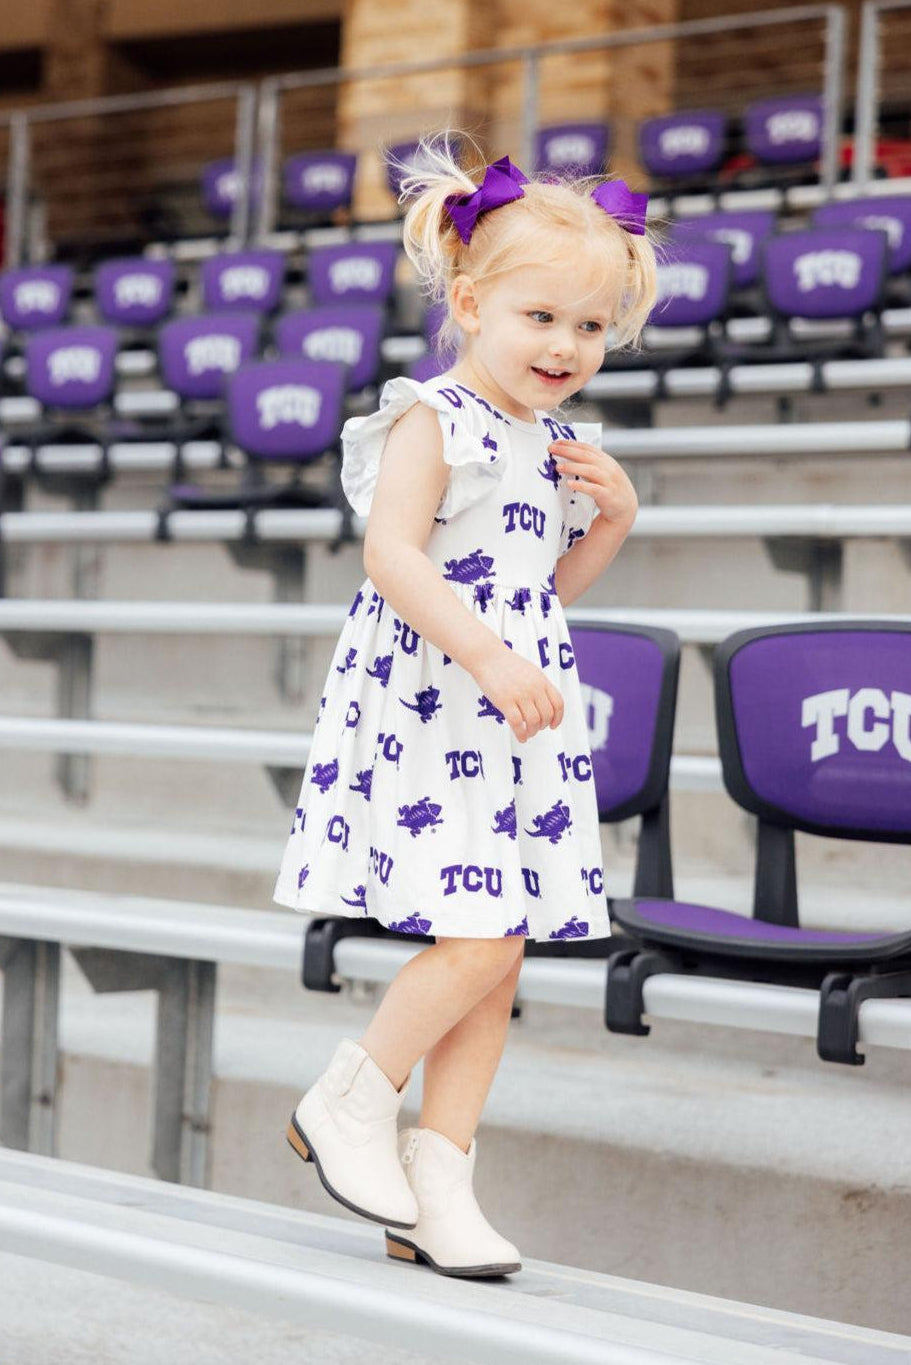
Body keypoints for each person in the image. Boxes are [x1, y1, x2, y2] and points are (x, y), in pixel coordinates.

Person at [273, 133, 657, 1278]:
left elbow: (540, 590)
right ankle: (351, 1097)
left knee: (502, 949)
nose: (566, 347)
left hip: (506, 710)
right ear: (474, 301)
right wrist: (489, 656)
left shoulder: (557, 444)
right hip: (437, 702)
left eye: (589, 328)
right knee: (480, 934)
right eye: (541, 318)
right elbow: (391, 556)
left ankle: (438, 1177)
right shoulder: (428, 416)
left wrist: (615, 525)